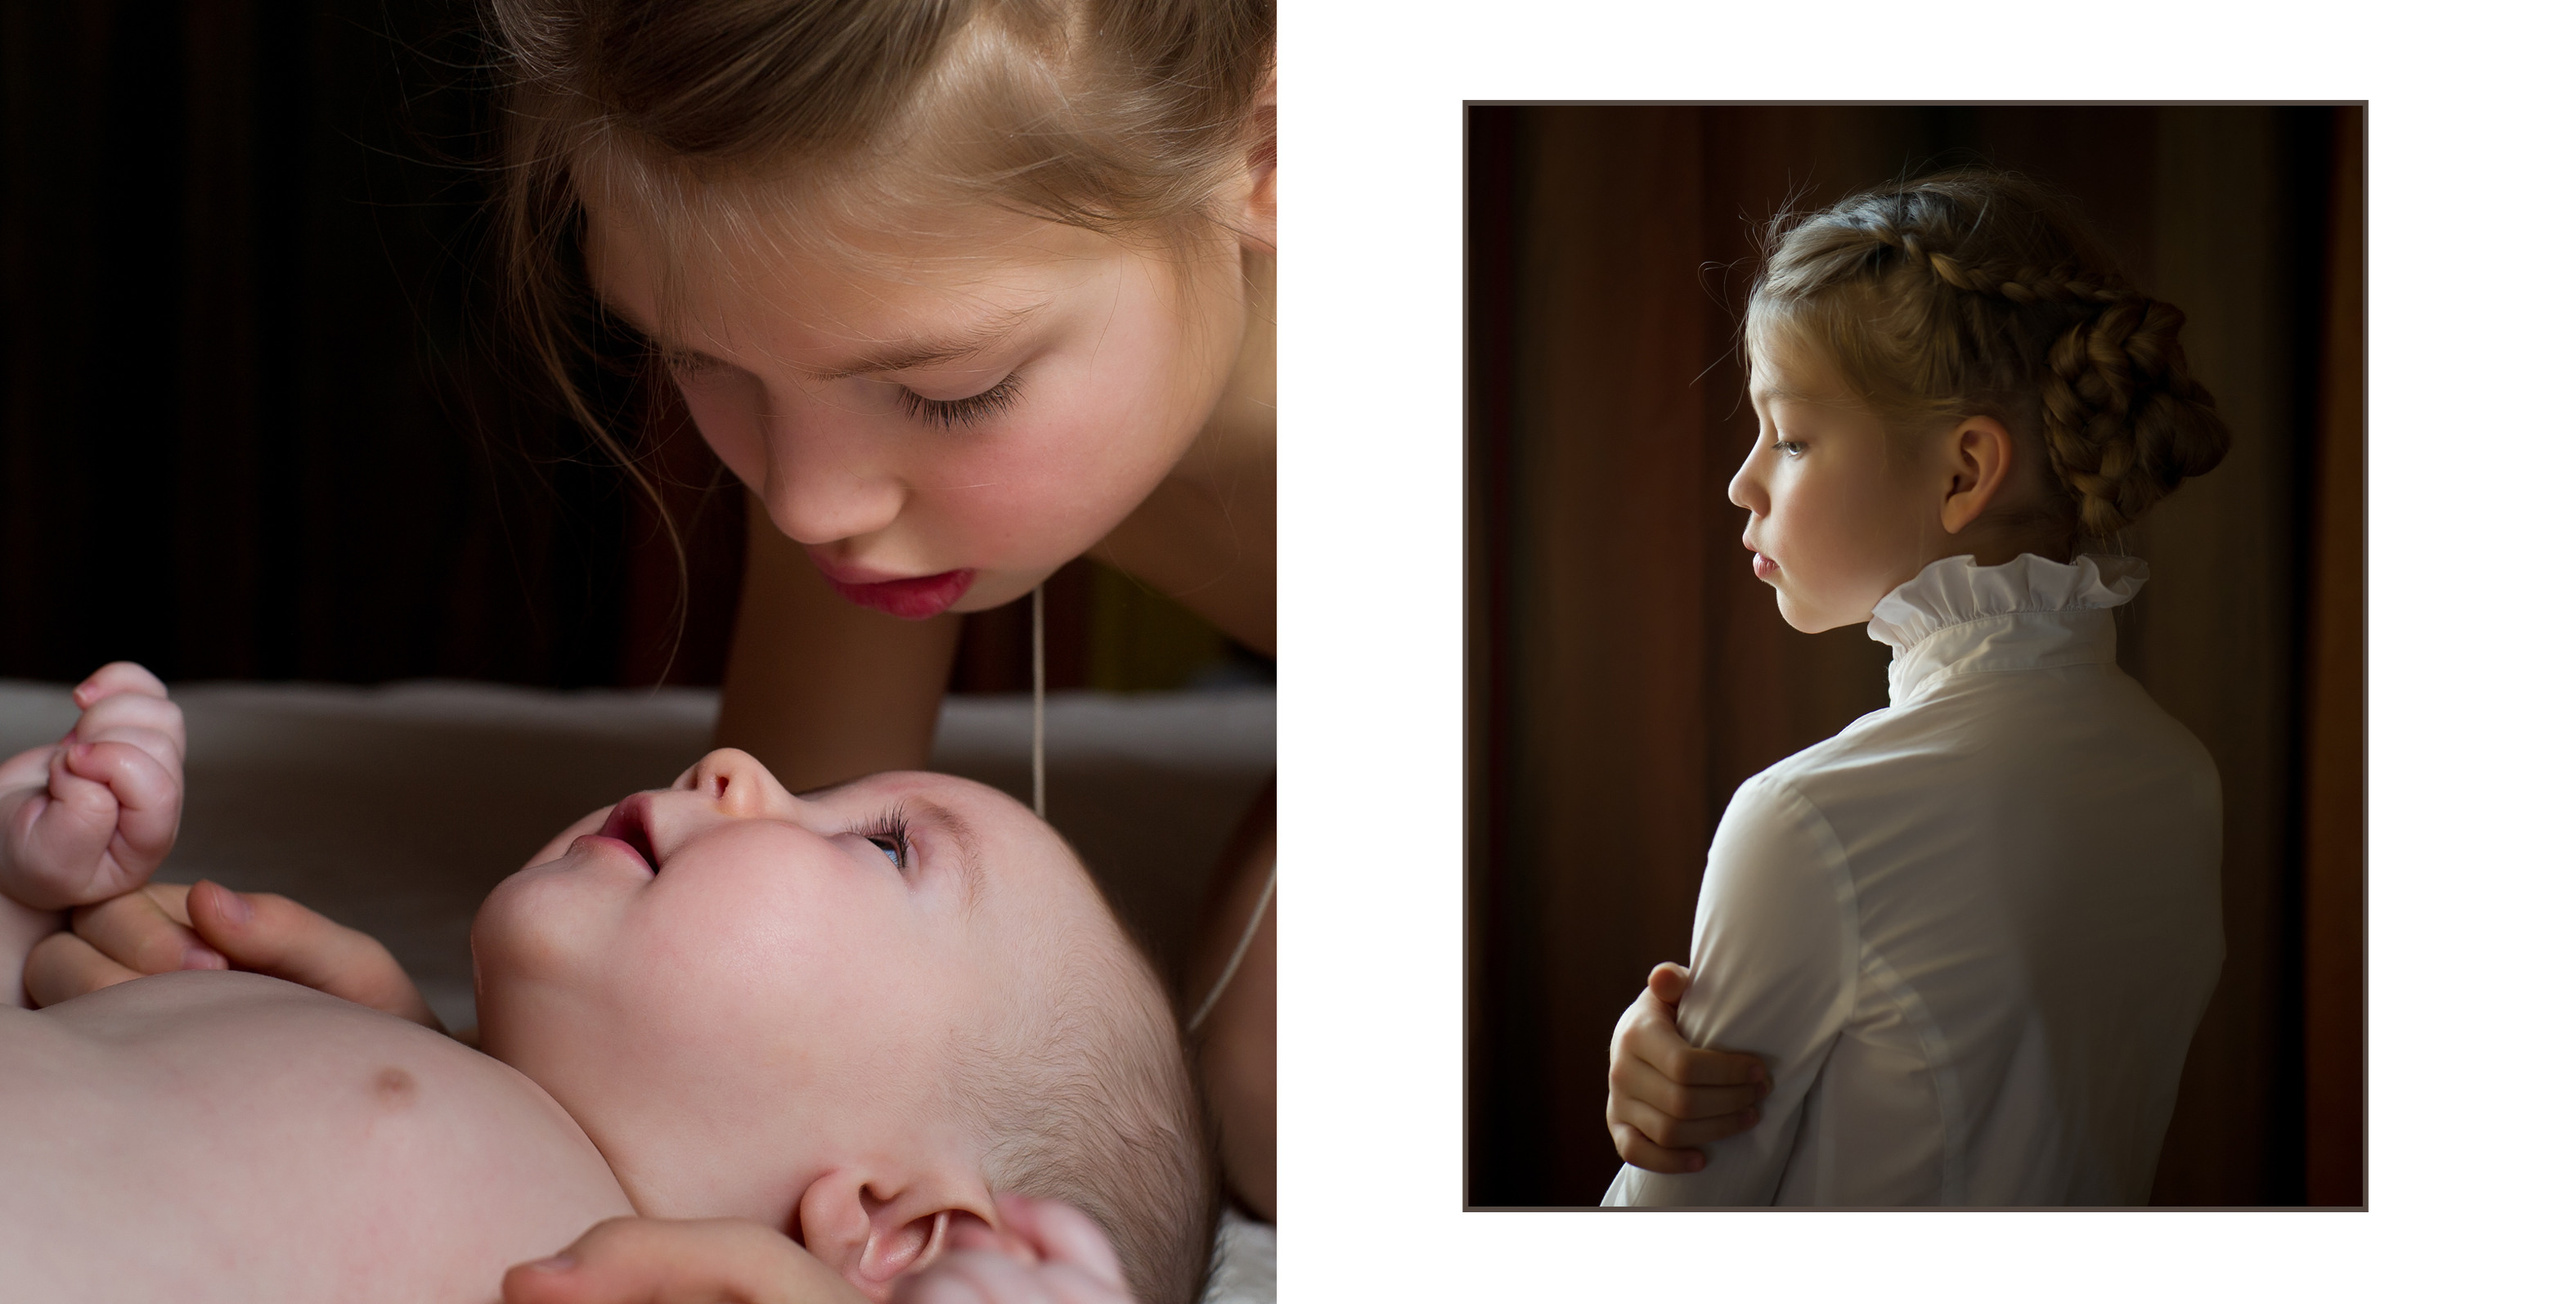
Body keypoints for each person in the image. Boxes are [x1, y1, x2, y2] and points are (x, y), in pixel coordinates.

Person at [490, 0, 1278, 1229]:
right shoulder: (834, 352)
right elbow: (759, 936)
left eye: (946, 392)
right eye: (699, 357)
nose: (806, 503)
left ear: (1273, 155)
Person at [5, 666, 1211, 1303]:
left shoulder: (649, 1280)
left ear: (895, 1231)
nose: (732, 764)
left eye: (886, 844)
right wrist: (38, 878)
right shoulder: (342, 1012)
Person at [1602, 171, 2231, 1206]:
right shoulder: (2181, 778)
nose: (1742, 481)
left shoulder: (1808, 822)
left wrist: (1645, 1132)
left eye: (1790, 437)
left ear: (1964, 471)